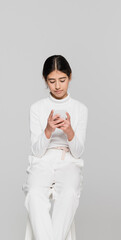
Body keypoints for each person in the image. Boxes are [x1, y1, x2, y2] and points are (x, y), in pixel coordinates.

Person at [23, 55, 88, 240]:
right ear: (45, 80)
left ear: (70, 77)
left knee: (68, 195)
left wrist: (69, 131)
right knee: (34, 195)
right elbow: (36, 151)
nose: (58, 86)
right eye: (52, 81)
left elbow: (78, 151)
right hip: (42, 160)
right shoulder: (37, 108)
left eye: (62, 80)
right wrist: (48, 130)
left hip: (68, 159)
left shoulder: (80, 109)